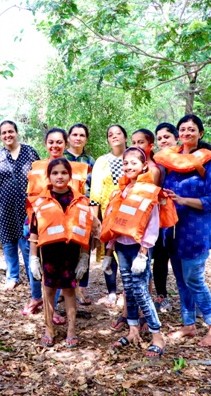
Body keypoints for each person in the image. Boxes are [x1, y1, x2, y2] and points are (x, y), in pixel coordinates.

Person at [155, 114, 211, 347]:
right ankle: (189, 325)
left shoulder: (208, 163)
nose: (186, 133)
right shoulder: (171, 161)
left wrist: (184, 200)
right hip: (172, 230)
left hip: (196, 230)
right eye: (182, 129)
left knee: (194, 279)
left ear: (200, 133)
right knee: (181, 280)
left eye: (191, 129)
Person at [100, 147, 165, 357]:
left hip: (139, 249)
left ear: (144, 166)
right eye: (125, 163)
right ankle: (132, 331)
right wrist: (108, 253)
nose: (129, 167)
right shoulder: (120, 191)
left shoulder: (148, 190)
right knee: (127, 290)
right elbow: (113, 223)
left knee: (141, 292)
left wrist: (144, 252)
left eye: (133, 163)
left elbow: (153, 223)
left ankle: (157, 337)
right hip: (121, 247)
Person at [28, 158, 93, 348]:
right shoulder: (40, 201)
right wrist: (33, 258)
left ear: (70, 176)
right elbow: (33, 232)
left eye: (64, 173)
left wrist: (84, 257)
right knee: (48, 290)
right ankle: (49, 328)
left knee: (69, 291)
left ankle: (72, 329)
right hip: (49, 253)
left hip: (71, 253)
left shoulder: (80, 201)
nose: (59, 176)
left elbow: (86, 232)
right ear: (48, 176)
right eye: (55, 173)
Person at [26, 128, 89, 324]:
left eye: (59, 142)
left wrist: (85, 254)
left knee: (66, 281)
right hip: (39, 225)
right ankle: (39, 303)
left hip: (69, 230)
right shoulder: (37, 167)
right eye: (51, 142)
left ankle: (64, 316)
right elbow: (29, 198)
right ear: (46, 144)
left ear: (66, 143)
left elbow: (83, 205)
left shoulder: (76, 169)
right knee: (42, 275)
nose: (55, 146)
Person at [0, 121, 42, 312]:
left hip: (27, 207)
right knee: (8, 242)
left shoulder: (29, 152)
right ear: (0, 136)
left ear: (17, 133)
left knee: (27, 245)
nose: (8, 135)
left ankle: (33, 281)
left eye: (11, 131)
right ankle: (12, 277)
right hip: (4, 207)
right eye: (4, 132)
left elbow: (40, 176)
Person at [90, 124, 128, 306]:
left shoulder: (133, 157)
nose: (114, 136)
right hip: (108, 213)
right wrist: (95, 218)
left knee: (129, 251)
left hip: (131, 213)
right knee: (108, 252)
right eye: (110, 134)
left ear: (125, 137)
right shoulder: (102, 161)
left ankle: (130, 291)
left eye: (118, 133)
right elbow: (95, 192)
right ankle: (112, 291)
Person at [64, 124, 96, 306]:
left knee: (84, 248)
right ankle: (65, 288)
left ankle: (82, 288)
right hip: (65, 208)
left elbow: (94, 186)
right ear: (69, 138)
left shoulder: (90, 160)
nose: (78, 138)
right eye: (74, 134)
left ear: (86, 139)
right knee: (65, 247)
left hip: (85, 207)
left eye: (82, 135)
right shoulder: (62, 157)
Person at [151, 122, 179, 312]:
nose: (163, 141)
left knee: (183, 258)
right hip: (161, 216)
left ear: (176, 138)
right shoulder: (155, 162)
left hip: (183, 215)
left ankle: (191, 298)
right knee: (160, 257)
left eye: (166, 137)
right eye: (159, 138)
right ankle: (162, 296)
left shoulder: (185, 158)